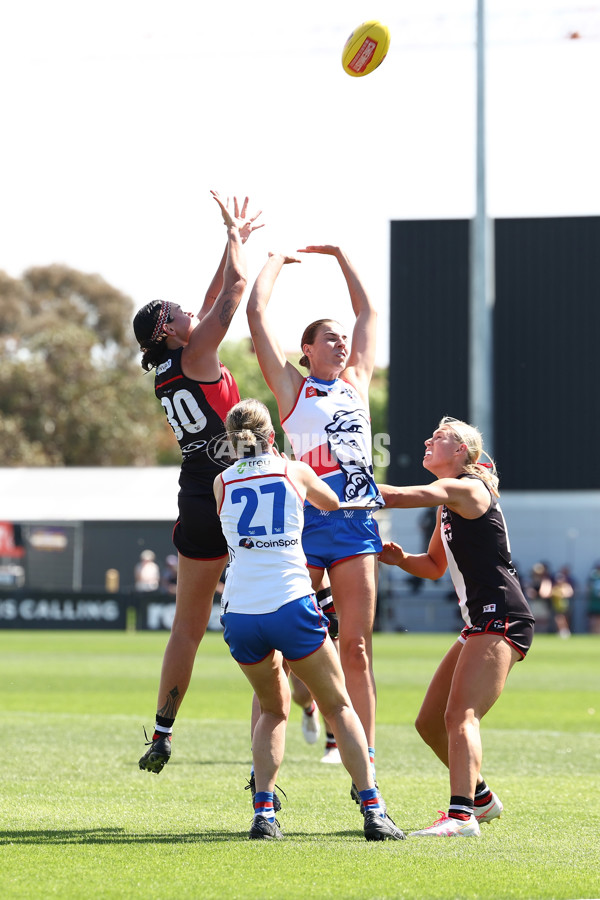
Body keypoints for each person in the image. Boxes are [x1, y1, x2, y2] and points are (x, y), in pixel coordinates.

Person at [214, 398, 404, 841]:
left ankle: (264, 815)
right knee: (338, 706)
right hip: (289, 602)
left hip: (240, 612)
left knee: (272, 709)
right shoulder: (294, 470)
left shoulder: (221, 481)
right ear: (271, 436)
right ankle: (373, 810)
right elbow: (332, 501)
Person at [246, 247, 384, 804]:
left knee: (356, 647)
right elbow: (257, 316)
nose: (342, 343)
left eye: (343, 338)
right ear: (306, 349)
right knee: (278, 653)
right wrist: (274, 261)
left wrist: (343, 258)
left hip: (354, 524)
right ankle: (261, 773)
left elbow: (369, 313)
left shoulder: (356, 382)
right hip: (302, 527)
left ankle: (365, 763)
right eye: (329, 338)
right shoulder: (291, 389)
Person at [132, 191, 263, 773]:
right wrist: (235, 239)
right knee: (285, 603)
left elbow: (210, 301)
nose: (192, 312)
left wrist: (229, 242)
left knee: (187, 627)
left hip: (196, 490)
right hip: (240, 483)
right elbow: (233, 293)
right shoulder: (197, 351)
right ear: (169, 330)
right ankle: (303, 716)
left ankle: (162, 731)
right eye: (180, 312)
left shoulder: (170, 364)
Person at [378, 416, 535, 837]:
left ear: (461, 451)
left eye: (439, 437)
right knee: (429, 723)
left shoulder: (467, 488)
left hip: (503, 616)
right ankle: (481, 798)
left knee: (461, 715)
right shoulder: (448, 501)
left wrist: (338, 487)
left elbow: (401, 495)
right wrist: (399, 559)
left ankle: (462, 817)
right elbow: (433, 566)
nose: (428, 441)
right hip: (480, 621)